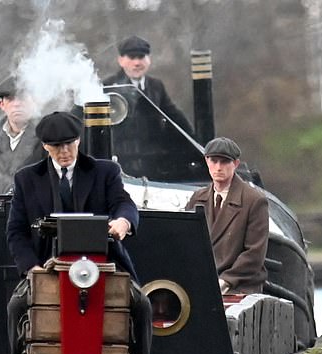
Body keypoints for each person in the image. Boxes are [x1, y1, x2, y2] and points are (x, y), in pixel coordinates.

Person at [6, 111, 152, 354]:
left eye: (69, 144)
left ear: (79, 141)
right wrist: (31, 268)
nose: (64, 152)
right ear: (45, 147)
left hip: (104, 262)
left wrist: (123, 222)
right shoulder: (26, 179)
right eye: (57, 146)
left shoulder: (105, 171)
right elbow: (16, 232)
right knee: (15, 307)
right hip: (46, 267)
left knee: (142, 305)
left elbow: (124, 204)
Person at [185, 137, 269, 294]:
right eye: (214, 161)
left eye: (224, 162)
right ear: (206, 161)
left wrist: (225, 281)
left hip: (240, 288)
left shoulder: (254, 201)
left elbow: (254, 254)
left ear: (235, 164)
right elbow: (186, 244)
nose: (218, 167)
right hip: (203, 284)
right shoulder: (197, 199)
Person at [102, 35, 194, 176]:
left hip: (152, 163)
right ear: (121, 60)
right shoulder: (108, 86)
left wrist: (194, 140)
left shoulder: (156, 86)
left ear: (149, 60)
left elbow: (173, 115)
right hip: (122, 163)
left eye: (141, 57)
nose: (137, 63)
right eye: (132, 57)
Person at [0, 76, 45, 210]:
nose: (17, 104)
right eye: (10, 99)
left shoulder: (45, 132)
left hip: (31, 217)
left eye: (22, 98)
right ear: (1, 104)